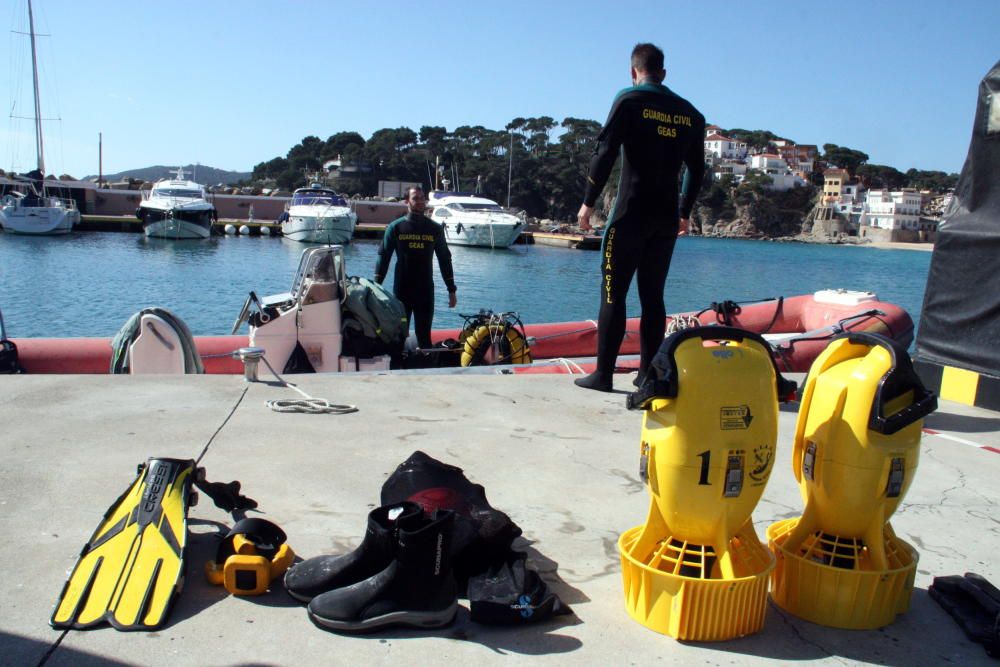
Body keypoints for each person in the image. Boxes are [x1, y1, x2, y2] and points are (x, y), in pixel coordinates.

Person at [574, 43, 706, 392]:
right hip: (664, 219)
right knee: (653, 297)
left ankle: (603, 375)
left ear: (634, 72)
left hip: (629, 215)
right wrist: (685, 211)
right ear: (663, 73)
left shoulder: (630, 100)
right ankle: (648, 374)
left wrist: (588, 202)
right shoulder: (691, 114)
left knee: (613, 294)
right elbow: (697, 169)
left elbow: (604, 152)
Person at [374, 186, 457, 348]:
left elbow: (444, 259)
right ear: (407, 201)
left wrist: (451, 290)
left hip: (425, 292)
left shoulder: (434, 229)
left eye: (422, 198)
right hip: (402, 292)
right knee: (397, 336)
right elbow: (384, 257)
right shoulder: (396, 227)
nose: (420, 201)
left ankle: (424, 369)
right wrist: (376, 287)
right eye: (415, 198)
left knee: (424, 336)